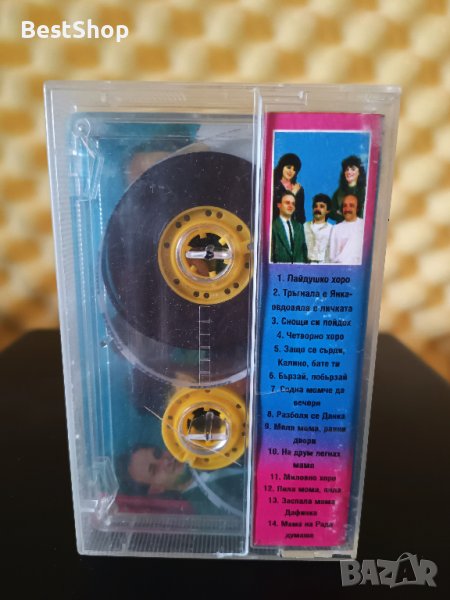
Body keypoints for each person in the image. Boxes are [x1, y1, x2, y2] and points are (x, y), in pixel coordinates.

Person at [116, 445, 244, 516]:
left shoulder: (210, 446)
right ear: (156, 489)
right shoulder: (206, 510)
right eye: (154, 470)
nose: (166, 461)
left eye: (158, 454)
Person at [271, 191, 307, 263]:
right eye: (287, 203)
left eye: (293, 204)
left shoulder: (299, 227)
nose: (291, 206)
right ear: (279, 205)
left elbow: (303, 252)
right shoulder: (273, 227)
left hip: (298, 269)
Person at [328, 195, 364, 265]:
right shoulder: (336, 228)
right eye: (345, 206)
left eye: (351, 205)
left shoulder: (364, 226)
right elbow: (332, 257)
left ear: (357, 208)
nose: (347, 209)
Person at [329, 155, 366, 223]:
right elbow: (330, 211)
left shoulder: (365, 191)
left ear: (359, 172)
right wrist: (343, 217)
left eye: (353, 169)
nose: (349, 172)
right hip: (342, 227)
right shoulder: (339, 192)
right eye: (347, 169)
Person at [273, 153, 305, 224]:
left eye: (294, 169)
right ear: (282, 167)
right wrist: (292, 194)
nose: (291, 171)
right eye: (289, 167)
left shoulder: (299, 189)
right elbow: (273, 210)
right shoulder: (272, 184)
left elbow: (301, 216)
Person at [304, 194, 333, 263]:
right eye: (315, 206)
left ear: (327, 211)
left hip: (324, 265)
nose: (317, 209)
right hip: (306, 264)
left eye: (321, 206)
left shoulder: (332, 230)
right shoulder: (304, 227)